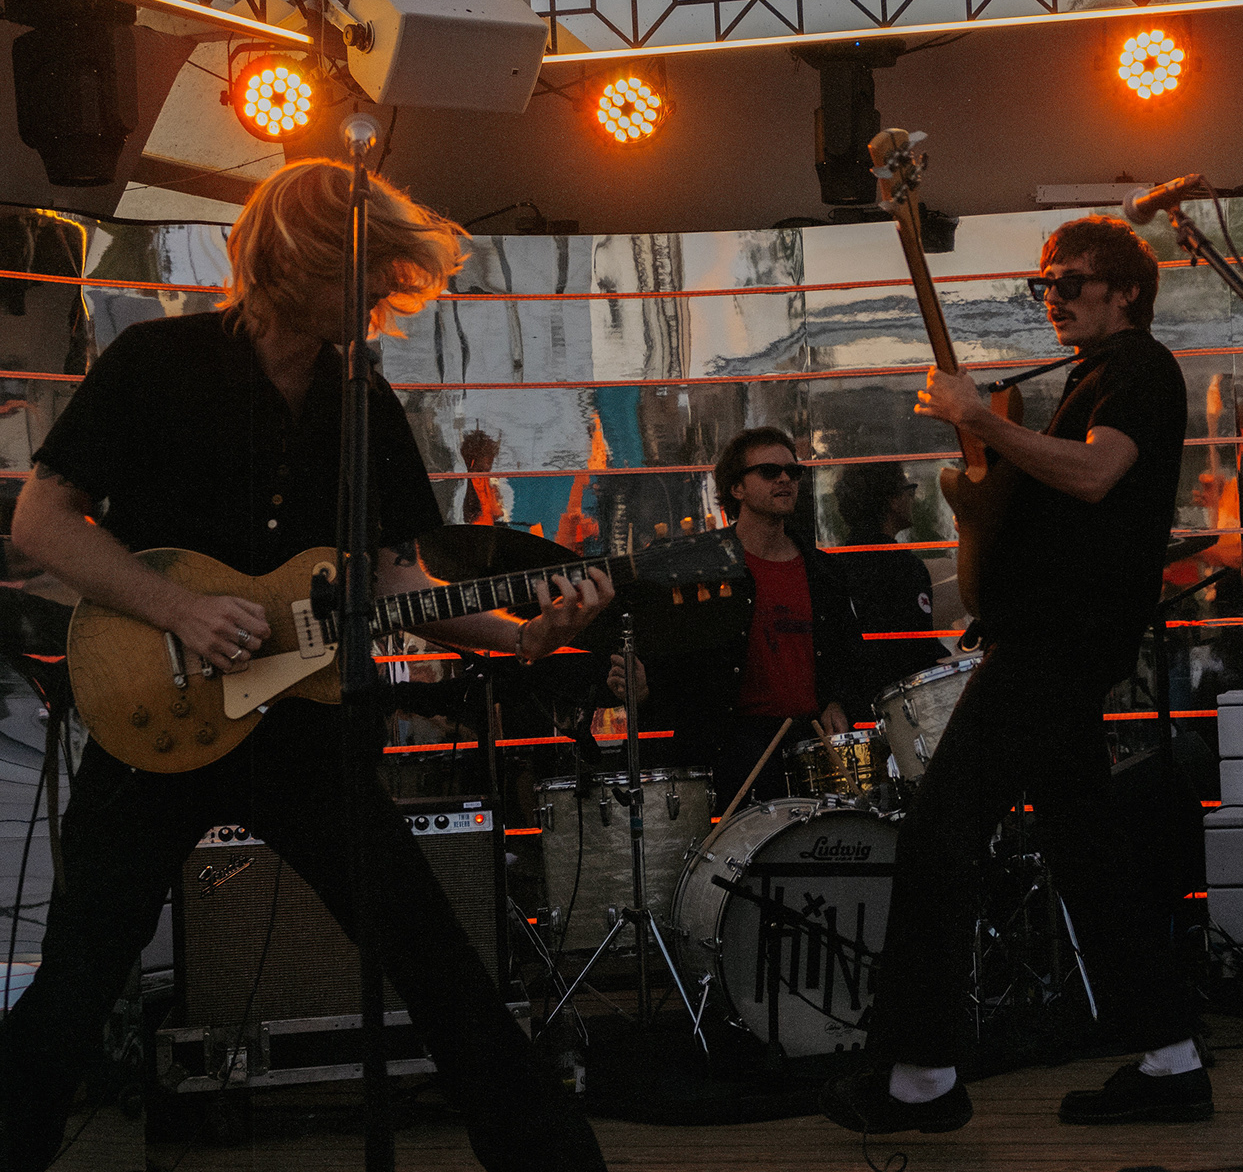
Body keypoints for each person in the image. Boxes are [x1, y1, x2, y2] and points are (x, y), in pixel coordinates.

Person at [0, 160, 614, 1172]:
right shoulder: (157, 362)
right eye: (366, 272)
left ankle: (551, 1160)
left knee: (429, 949)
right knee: (79, 974)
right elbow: (41, 521)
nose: (381, 296)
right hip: (151, 710)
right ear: (300, 260)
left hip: (300, 724)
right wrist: (180, 608)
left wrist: (519, 637)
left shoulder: (359, 395)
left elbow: (394, 575)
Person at [821, 215, 1207, 1135]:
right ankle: (1171, 1060)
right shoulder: (1090, 377)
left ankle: (921, 1077)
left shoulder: (1139, 368)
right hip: (1050, 638)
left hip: (1057, 643)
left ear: (1126, 290)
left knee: (941, 832)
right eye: (1045, 284)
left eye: (1072, 281)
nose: (1053, 298)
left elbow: (1097, 475)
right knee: (1088, 849)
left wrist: (983, 419)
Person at [608, 427, 861, 810]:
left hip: (810, 749)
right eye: (769, 471)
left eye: (793, 472)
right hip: (731, 753)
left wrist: (836, 702)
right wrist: (644, 692)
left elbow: (850, 656)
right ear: (736, 488)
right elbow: (679, 667)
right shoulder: (701, 569)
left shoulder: (822, 571)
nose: (785, 479)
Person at [832, 461, 949, 709]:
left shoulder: (836, 564)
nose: (912, 498)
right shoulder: (903, 566)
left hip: (855, 702)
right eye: (909, 490)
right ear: (893, 501)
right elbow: (917, 646)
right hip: (899, 702)